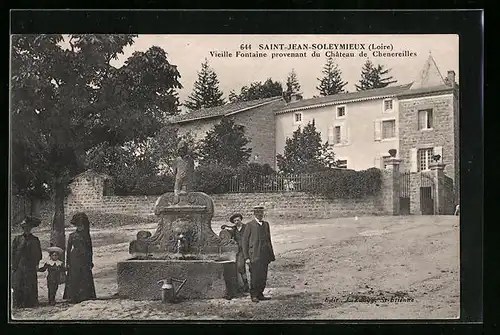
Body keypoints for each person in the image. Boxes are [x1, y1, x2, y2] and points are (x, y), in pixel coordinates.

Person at [242, 205, 276, 303]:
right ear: (254, 214)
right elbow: (245, 242)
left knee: (263, 276)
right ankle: (254, 295)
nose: (260, 215)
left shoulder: (266, 224)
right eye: (258, 213)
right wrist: (246, 257)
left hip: (265, 255)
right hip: (254, 255)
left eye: (261, 213)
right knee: (255, 276)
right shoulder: (249, 225)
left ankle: (260, 294)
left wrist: (271, 254)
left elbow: (268, 240)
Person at [63, 212, 97, 303]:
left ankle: (85, 295)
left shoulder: (86, 236)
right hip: (74, 258)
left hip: (85, 257)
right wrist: (67, 263)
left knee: (85, 276)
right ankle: (73, 296)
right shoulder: (72, 235)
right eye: (78, 225)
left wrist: (90, 261)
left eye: (81, 225)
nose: (80, 227)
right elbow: (68, 250)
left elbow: (90, 249)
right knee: (74, 276)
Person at [11, 216, 43, 308]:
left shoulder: (35, 239)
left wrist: (37, 264)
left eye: (29, 228)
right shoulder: (17, 239)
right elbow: (12, 253)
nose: (27, 229)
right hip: (20, 264)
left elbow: (38, 253)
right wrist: (13, 265)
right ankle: (19, 303)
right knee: (19, 283)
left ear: (31, 228)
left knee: (30, 283)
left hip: (30, 265)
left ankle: (30, 303)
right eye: (25, 228)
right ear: (23, 228)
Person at [221, 213, 249, 294]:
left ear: (241, 219)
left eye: (238, 220)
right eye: (235, 221)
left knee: (253, 267)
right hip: (240, 251)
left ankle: (254, 285)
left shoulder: (246, 227)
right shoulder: (234, 229)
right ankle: (246, 285)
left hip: (248, 249)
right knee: (240, 267)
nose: (237, 222)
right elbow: (228, 230)